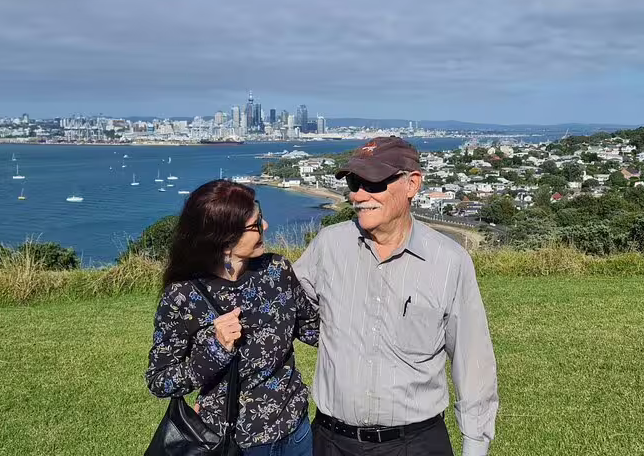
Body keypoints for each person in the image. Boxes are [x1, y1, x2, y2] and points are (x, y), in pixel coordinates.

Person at [294, 137, 499, 456]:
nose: (358, 195)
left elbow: (473, 362)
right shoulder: (328, 246)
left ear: (412, 184)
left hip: (414, 445)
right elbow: (277, 311)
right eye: (353, 181)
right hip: (331, 442)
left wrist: (475, 445)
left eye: (372, 183)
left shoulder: (449, 261)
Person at [145, 179, 319, 456]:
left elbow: (312, 330)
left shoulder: (277, 270)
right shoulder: (183, 296)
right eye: (254, 225)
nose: (265, 227)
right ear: (223, 238)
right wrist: (215, 350)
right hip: (232, 444)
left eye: (260, 218)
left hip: (296, 433)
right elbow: (160, 381)